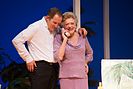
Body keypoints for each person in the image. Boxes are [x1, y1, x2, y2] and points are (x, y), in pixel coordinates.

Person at [12, 7, 87, 89]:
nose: (56, 26)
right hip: (40, 67)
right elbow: (17, 41)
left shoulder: (57, 29)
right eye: (54, 23)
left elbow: (69, 29)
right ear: (47, 18)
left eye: (58, 24)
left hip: (54, 68)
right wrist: (28, 58)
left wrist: (80, 29)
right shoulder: (36, 27)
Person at [53, 12, 93, 89]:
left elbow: (90, 53)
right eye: (67, 24)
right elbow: (59, 57)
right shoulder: (58, 38)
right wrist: (65, 39)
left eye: (72, 23)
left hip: (82, 76)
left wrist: (85, 62)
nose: (70, 26)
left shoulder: (82, 36)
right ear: (63, 26)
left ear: (75, 25)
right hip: (66, 77)